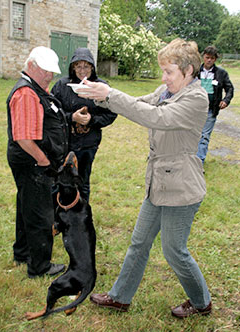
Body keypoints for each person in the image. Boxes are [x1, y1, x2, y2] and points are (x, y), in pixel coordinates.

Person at [77, 38, 212, 318]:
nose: (163, 78)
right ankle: (119, 297)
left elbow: (155, 117)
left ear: (188, 71)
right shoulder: (167, 90)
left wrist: (110, 94)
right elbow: (139, 104)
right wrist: (100, 96)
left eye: (169, 72)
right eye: (163, 71)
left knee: (174, 251)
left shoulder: (196, 99)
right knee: (139, 242)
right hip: (158, 183)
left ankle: (202, 302)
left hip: (181, 188)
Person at [7, 46, 68, 278]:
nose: (50, 76)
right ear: (31, 66)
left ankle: (22, 253)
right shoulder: (26, 94)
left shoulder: (35, 89)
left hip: (31, 162)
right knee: (41, 213)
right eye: (45, 71)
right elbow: (24, 138)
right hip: (32, 163)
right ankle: (40, 266)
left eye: (52, 72)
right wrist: (44, 162)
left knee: (26, 207)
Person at [51, 48, 117, 202]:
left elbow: (111, 113)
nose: (82, 70)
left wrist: (91, 120)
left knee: (83, 182)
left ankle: (81, 217)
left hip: (88, 144)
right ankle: (58, 214)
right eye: (78, 66)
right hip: (65, 142)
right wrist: (71, 117)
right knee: (60, 180)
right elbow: (52, 110)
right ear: (73, 67)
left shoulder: (101, 86)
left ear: (92, 67)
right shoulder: (62, 85)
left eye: (86, 66)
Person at [197, 46, 234, 164]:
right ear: (203, 57)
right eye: (207, 57)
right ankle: (189, 160)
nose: (209, 60)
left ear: (215, 59)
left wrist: (226, 100)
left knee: (204, 136)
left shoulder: (221, 73)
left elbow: (229, 88)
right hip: (194, 108)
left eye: (212, 58)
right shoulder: (195, 71)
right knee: (192, 134)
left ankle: (199, 162)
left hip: (211, 109)